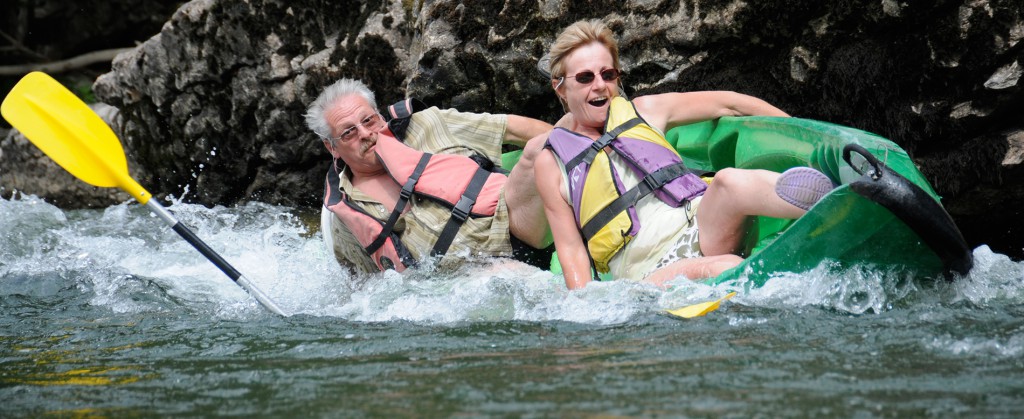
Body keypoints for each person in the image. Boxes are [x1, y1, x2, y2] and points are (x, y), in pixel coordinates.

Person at [534, 20, 835, 289]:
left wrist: (806, 135)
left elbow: (730, 104)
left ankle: (836, 199)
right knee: (725, 267)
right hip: (650, 270)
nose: (600, 86)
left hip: (703, 225)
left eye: (608, 74)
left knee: (729, 183)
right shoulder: (552, 164)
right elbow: (572, 250)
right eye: (585, 78)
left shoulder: (646, 111)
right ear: (560, 87)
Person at [305, 79, 554, 274]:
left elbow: (516, 129)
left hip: (515, 221)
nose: (365, 133)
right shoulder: (346, 213)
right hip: (464, 279)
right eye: (348, 132)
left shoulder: (428, 123)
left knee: (542, 147)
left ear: (379, 116)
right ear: (332, 147)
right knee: (503, 273)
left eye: (369, 120)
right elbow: (369, 290)